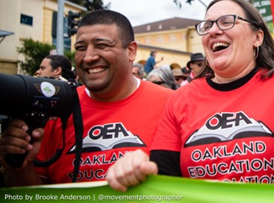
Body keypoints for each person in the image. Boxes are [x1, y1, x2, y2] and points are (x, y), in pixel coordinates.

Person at [106, 0, 274, 191]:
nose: (213, 31)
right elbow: (164, 180)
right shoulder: (181, 98)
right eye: (207, 25)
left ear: (257, 37)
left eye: (227, 21)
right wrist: (137, 169)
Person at [0, 10, 171, 186]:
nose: (88, 57)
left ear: (131, 51)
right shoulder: (55, 107)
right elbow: (31, 194)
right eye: (81, 48)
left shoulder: (171, 104)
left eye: (102, 45)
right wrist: (20, 166)